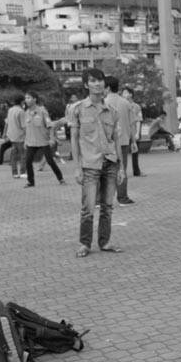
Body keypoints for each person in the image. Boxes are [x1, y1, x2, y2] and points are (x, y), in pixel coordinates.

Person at [70, 68, 124, 258]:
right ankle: (85, 243)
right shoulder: (77, 109)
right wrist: (77, 168)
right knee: (88, 209)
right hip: (90, 164)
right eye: (92, 81)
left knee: (108, 207)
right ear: (86, 85)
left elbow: (116, 140)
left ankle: (105, 242)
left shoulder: (112, 111)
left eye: (100, 80)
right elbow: (74, 139)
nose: (97, 84)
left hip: (110, 163)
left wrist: (122, 168)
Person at [22, 91, 64, 188]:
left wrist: (52, 138)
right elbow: (27, 129)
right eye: (26, 98)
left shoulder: (42, 111)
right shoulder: (26, 113)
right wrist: (25, 141)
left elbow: (50, 126)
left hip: (43, 141)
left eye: (28, 98)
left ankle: (60, 178)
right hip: (31, 142)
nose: (26, 100)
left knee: (50, 161)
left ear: (34, 99)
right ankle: (31, 182)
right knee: (28, 161)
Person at [104, 76, 135, 204]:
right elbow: (132, 124)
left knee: (104, 171)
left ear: (108, 87)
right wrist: (133, 141)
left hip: (106, 143)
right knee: (122, 169)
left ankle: (101, 200)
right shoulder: (126, 103)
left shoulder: (103, 102)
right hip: (123, 141)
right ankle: (122, 198)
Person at [0, 94, 26, 178]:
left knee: (13, 155)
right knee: (23, 155)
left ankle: (15, 173)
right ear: (21, 101)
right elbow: (24, 126)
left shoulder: (10, 110)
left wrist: (4, 133)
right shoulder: (21, 111)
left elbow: (7, 123)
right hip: (20, 137)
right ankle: (23, 172)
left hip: (12, 137)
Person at [122, 87, 144, 177]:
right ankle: (122, 171)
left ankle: (136, 171)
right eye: (123, 93)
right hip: (124, 133)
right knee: (123, 153)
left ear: (131, 94)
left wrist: (137, 133)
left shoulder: (136, 106)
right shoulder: (122, 105)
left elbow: (138, 120)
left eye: (126, 92)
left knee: (135, 153)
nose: (124, 95)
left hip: (134, 132)